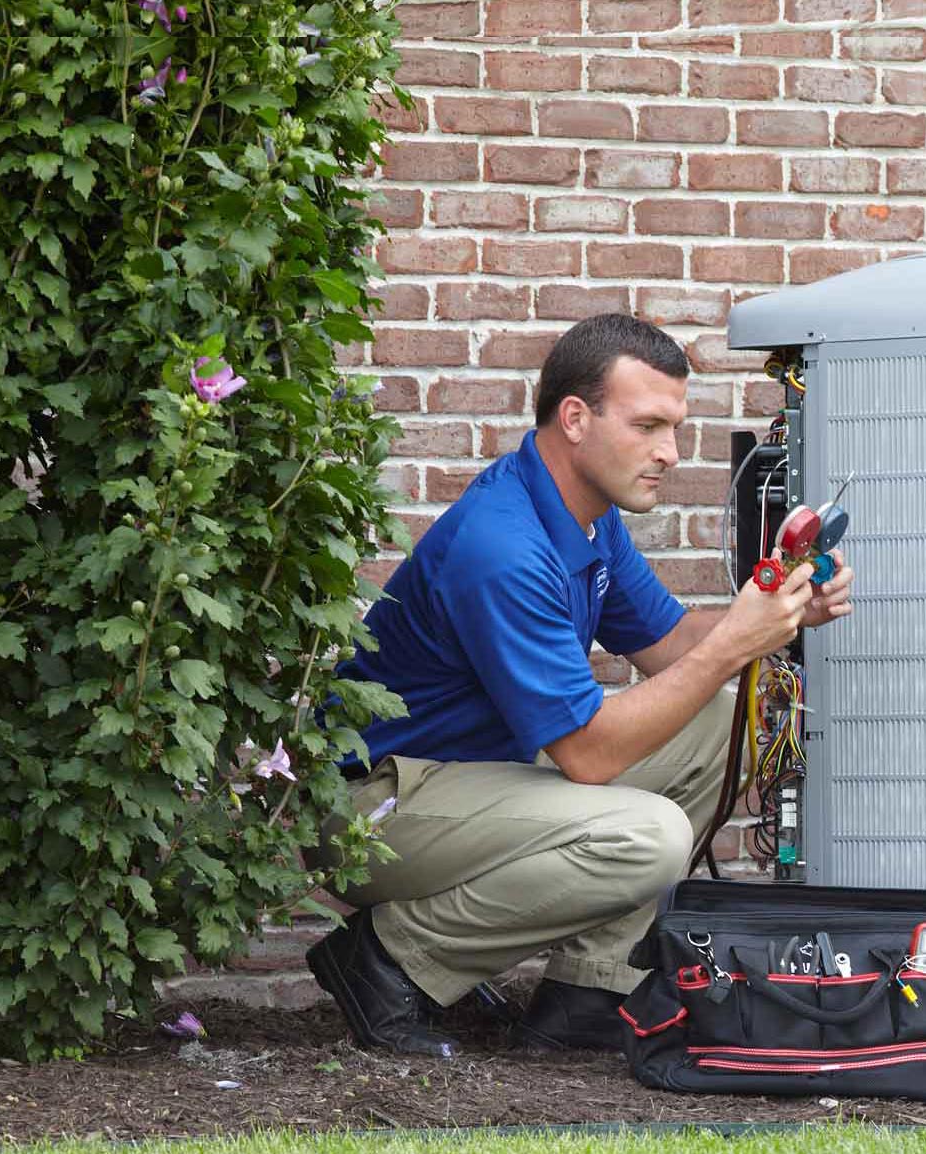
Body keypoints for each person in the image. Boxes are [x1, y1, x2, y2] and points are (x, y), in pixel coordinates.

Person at [304, 314, 853, 1058]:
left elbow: (669, 649)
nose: (669, 453)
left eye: (676, 428)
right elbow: (589, 757)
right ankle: (389, 960)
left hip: (470, 779)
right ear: (575, 419)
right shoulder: (503, 545)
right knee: (646, 836)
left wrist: (781, 613)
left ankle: (588, 994)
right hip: (375, 810)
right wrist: (733, 643)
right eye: (649, 426)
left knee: (734, 721)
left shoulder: (586, 518)